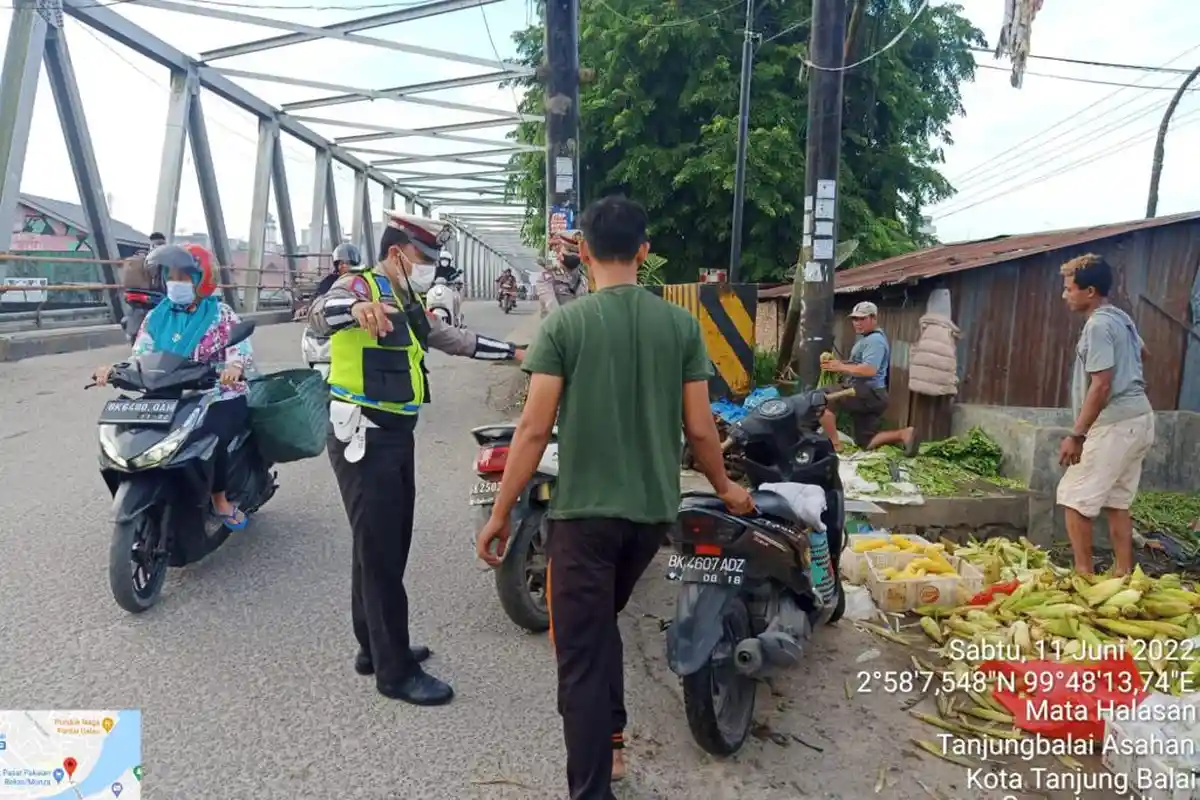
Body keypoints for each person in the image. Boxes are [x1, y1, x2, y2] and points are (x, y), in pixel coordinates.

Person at [474, 195, 753, 799]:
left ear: (586, 253)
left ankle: (592, 789)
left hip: (583, 521)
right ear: (644, 253)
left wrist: (501, 513)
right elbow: (702, 430)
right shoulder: (679, 326)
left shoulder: (565, 325)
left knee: (578, 657)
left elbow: (532, 429)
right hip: (650, 521)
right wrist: (726, 487)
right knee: (600, 627)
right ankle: (616, 739)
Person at [307, 211, 525, 706]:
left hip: (394, 434)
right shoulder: (357, 287)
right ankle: (395, 671)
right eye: (422, 258)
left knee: (380, 545)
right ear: (395, 254)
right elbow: (321, 312)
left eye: (431, 260)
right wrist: (355, 312)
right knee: (382, 553)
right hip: (363, 434)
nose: (427, 267)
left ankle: (374, 647)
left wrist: (515, 352)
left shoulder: (407, 299)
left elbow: (456, 339)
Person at [93, 244, 254, 529]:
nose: (175, 283)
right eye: (171, 276)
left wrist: (234, 368)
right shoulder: (157, 316)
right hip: (168, 390)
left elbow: (239, 347)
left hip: (216, 392)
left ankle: (219, 499)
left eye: (184, 276)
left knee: (211, 433)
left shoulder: (221, 314)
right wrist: (116, 370)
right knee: (131, 430)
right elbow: (141, 353)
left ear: (201, 279)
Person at [1056, 253, 1154, 576]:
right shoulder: (1121, 318)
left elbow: (1101, 385)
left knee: (1073, 497)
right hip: (1140, 418)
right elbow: (1143, 351)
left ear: (1090, 291)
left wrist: (1077, 435)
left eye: (1070, 289)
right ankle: (1124, 576)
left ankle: (1084, 576)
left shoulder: (1097, 325)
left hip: (1116, 423)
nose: (1065, 295)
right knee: (1117, 502)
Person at [817, 301, 917, 453]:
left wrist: (840, 367)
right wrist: (839, 364)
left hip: (866, 392)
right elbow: (860, 364)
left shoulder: (874, 341)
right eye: (855, 319)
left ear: (873, 318)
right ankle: (903, 434)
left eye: (862, 319)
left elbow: (869, 370)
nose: (857, 323)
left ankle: (835, 445)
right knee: (866, 442)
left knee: (820, 400)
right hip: (875, 396)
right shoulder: (869, 338)